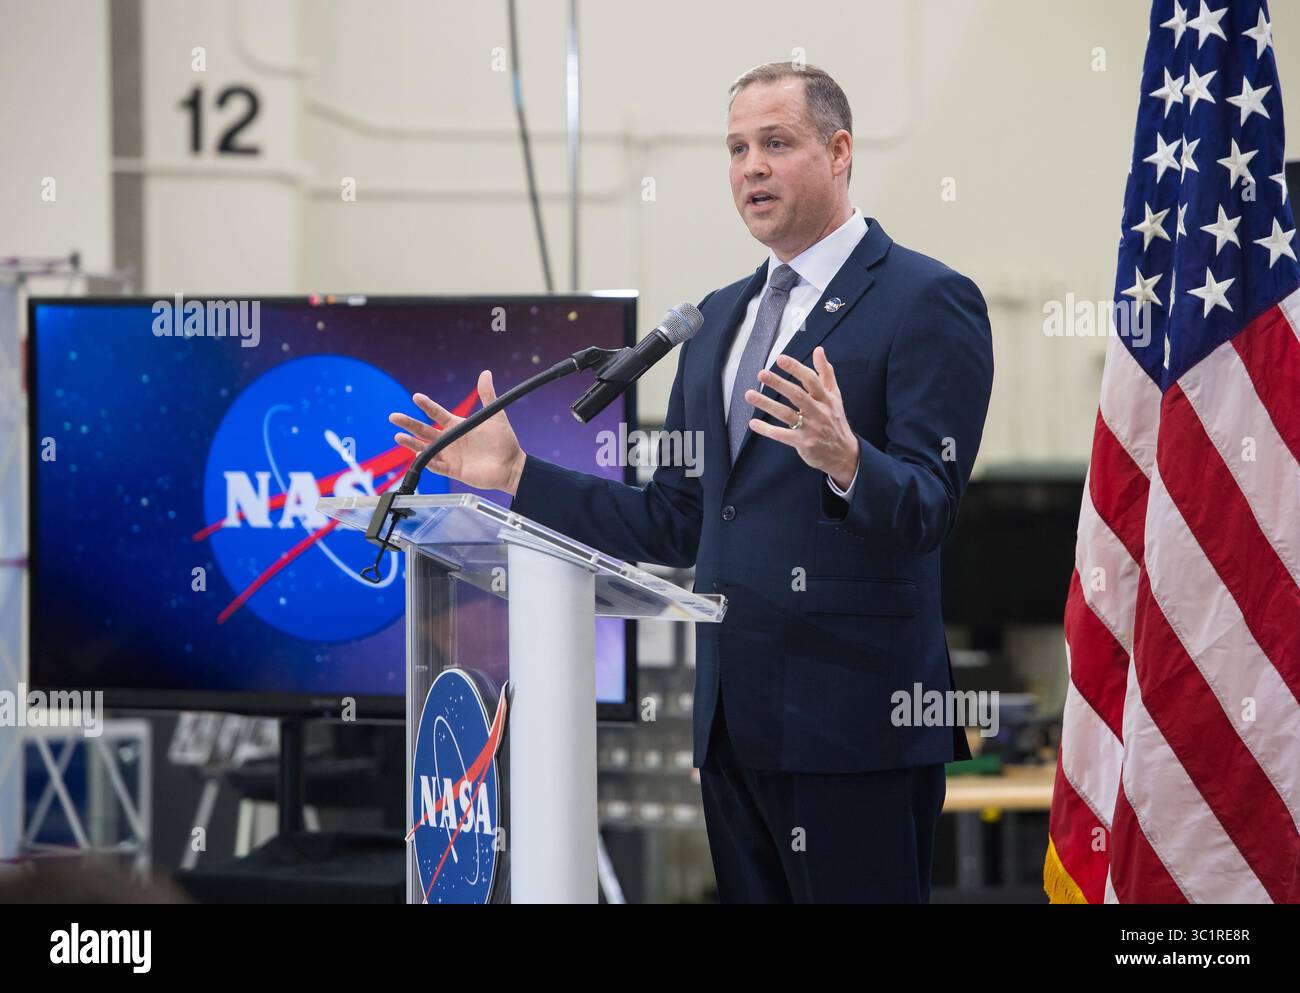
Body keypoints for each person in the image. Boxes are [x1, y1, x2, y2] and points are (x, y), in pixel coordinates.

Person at [390, 61, 994, 903]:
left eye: (776, 143)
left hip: (858, 730)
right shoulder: (714, 323)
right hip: (731, 729)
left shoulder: (928, 299)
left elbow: (931, 508)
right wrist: (519, 475)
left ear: (840, 150)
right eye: (737, 147)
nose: (751, 166)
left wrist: (849, 460)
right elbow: (679, 521)